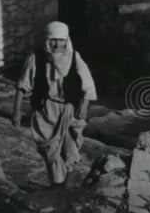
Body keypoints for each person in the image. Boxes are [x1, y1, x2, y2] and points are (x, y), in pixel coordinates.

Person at [13, 21, 97, 188]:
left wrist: (85, 105)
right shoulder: (36, 58)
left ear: (66, 40)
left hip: (69, 109)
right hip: (45, 111)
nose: (57, 44)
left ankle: (68, 185)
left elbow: (88, 83)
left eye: (61, 40)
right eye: (53, 40)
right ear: (46, 40)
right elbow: (22, 86)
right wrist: (16, 111)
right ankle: (57, 186)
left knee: (70, 148)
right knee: (50, 150)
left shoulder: (74, 57)